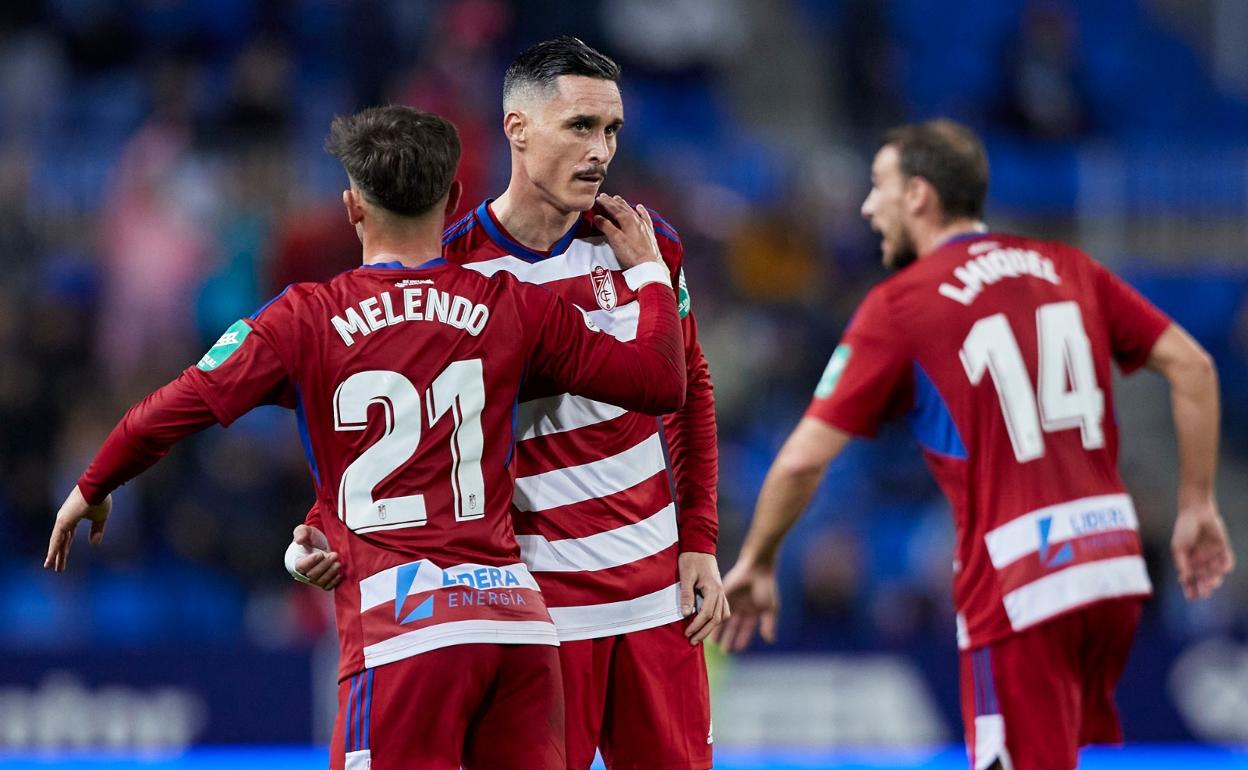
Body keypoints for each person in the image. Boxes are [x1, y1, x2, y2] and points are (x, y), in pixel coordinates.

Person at [45, 105, 689, 770]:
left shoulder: (304, 319)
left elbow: (168, 412)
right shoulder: (511, 306)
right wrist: (646, 274)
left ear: (352, 206)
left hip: (401, 632)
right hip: (516, 629)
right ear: (454, 199)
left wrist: (93, 486)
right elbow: (658, 382)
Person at [715, 119, 1235, 770]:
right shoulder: (1069, 266)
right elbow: (1196, 369)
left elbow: (802, 458)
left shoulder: (904, 301)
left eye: (879, 187)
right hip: (1113, 567)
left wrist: (759, 561)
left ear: (920, 196)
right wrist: (1196, 507)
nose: (867, 207)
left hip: (1022, 576)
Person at [292, 36, 725, 770]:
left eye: (612, 130)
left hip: (657, 603)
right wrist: (319, 523)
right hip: (538, 611)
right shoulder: (455, 270)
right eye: (580, 127)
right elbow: (395, 424)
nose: (601, 151)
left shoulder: (645, 247)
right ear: (517, 128)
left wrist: (700, 541)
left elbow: (689, 393)